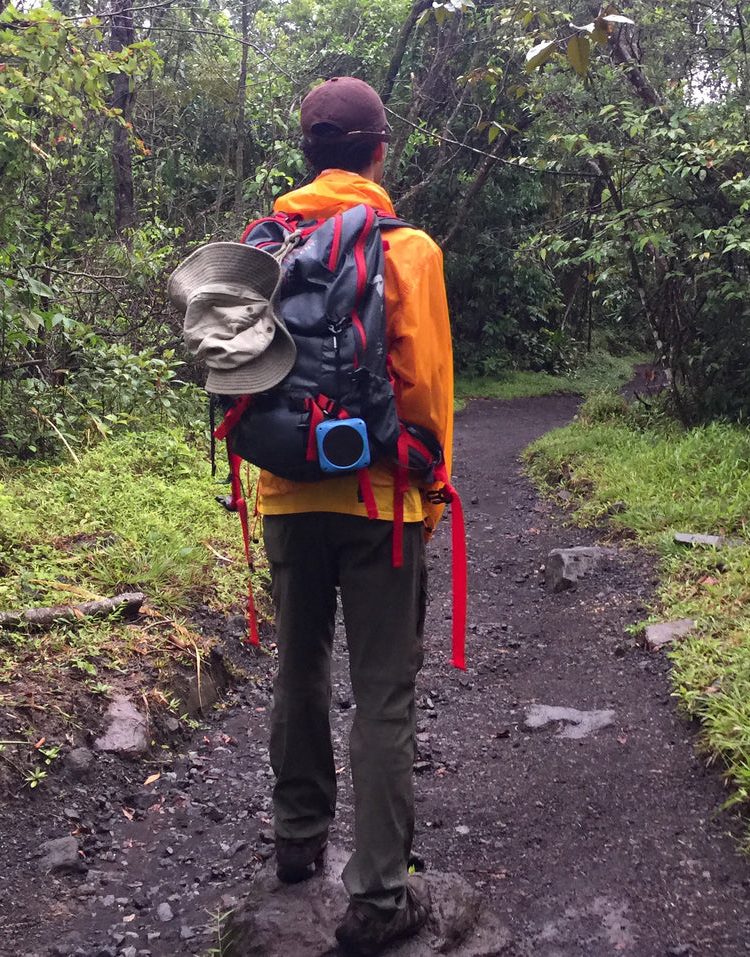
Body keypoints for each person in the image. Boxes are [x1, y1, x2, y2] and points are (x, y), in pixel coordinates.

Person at [258, 76, 454, 956]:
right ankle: (378, 897)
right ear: (380, 151)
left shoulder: (266, 244)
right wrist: (432, 487)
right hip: (382, 501)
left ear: (307, 152)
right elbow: (427, 393)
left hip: (288, 491)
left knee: (299, 664)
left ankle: (297, 839)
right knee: (383, 691)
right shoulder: (408, 250)